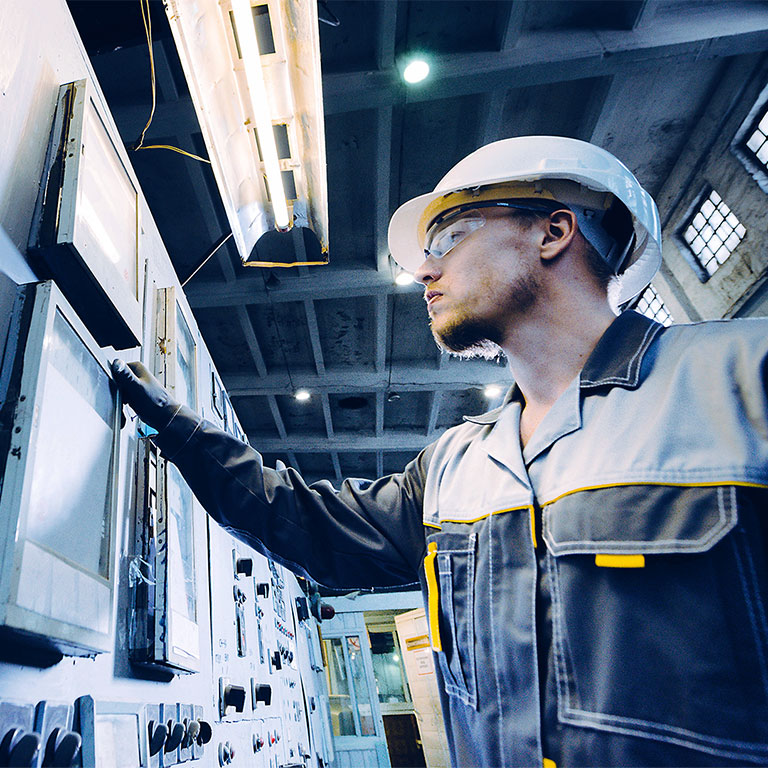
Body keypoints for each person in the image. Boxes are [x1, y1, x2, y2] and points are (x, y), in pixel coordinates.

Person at [112, 136, 768, 767]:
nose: (425, 270)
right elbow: (309, 526)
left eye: (452, 238)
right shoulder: (454, 467)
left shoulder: (743, 378)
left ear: (553, 232)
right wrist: (181, 432)